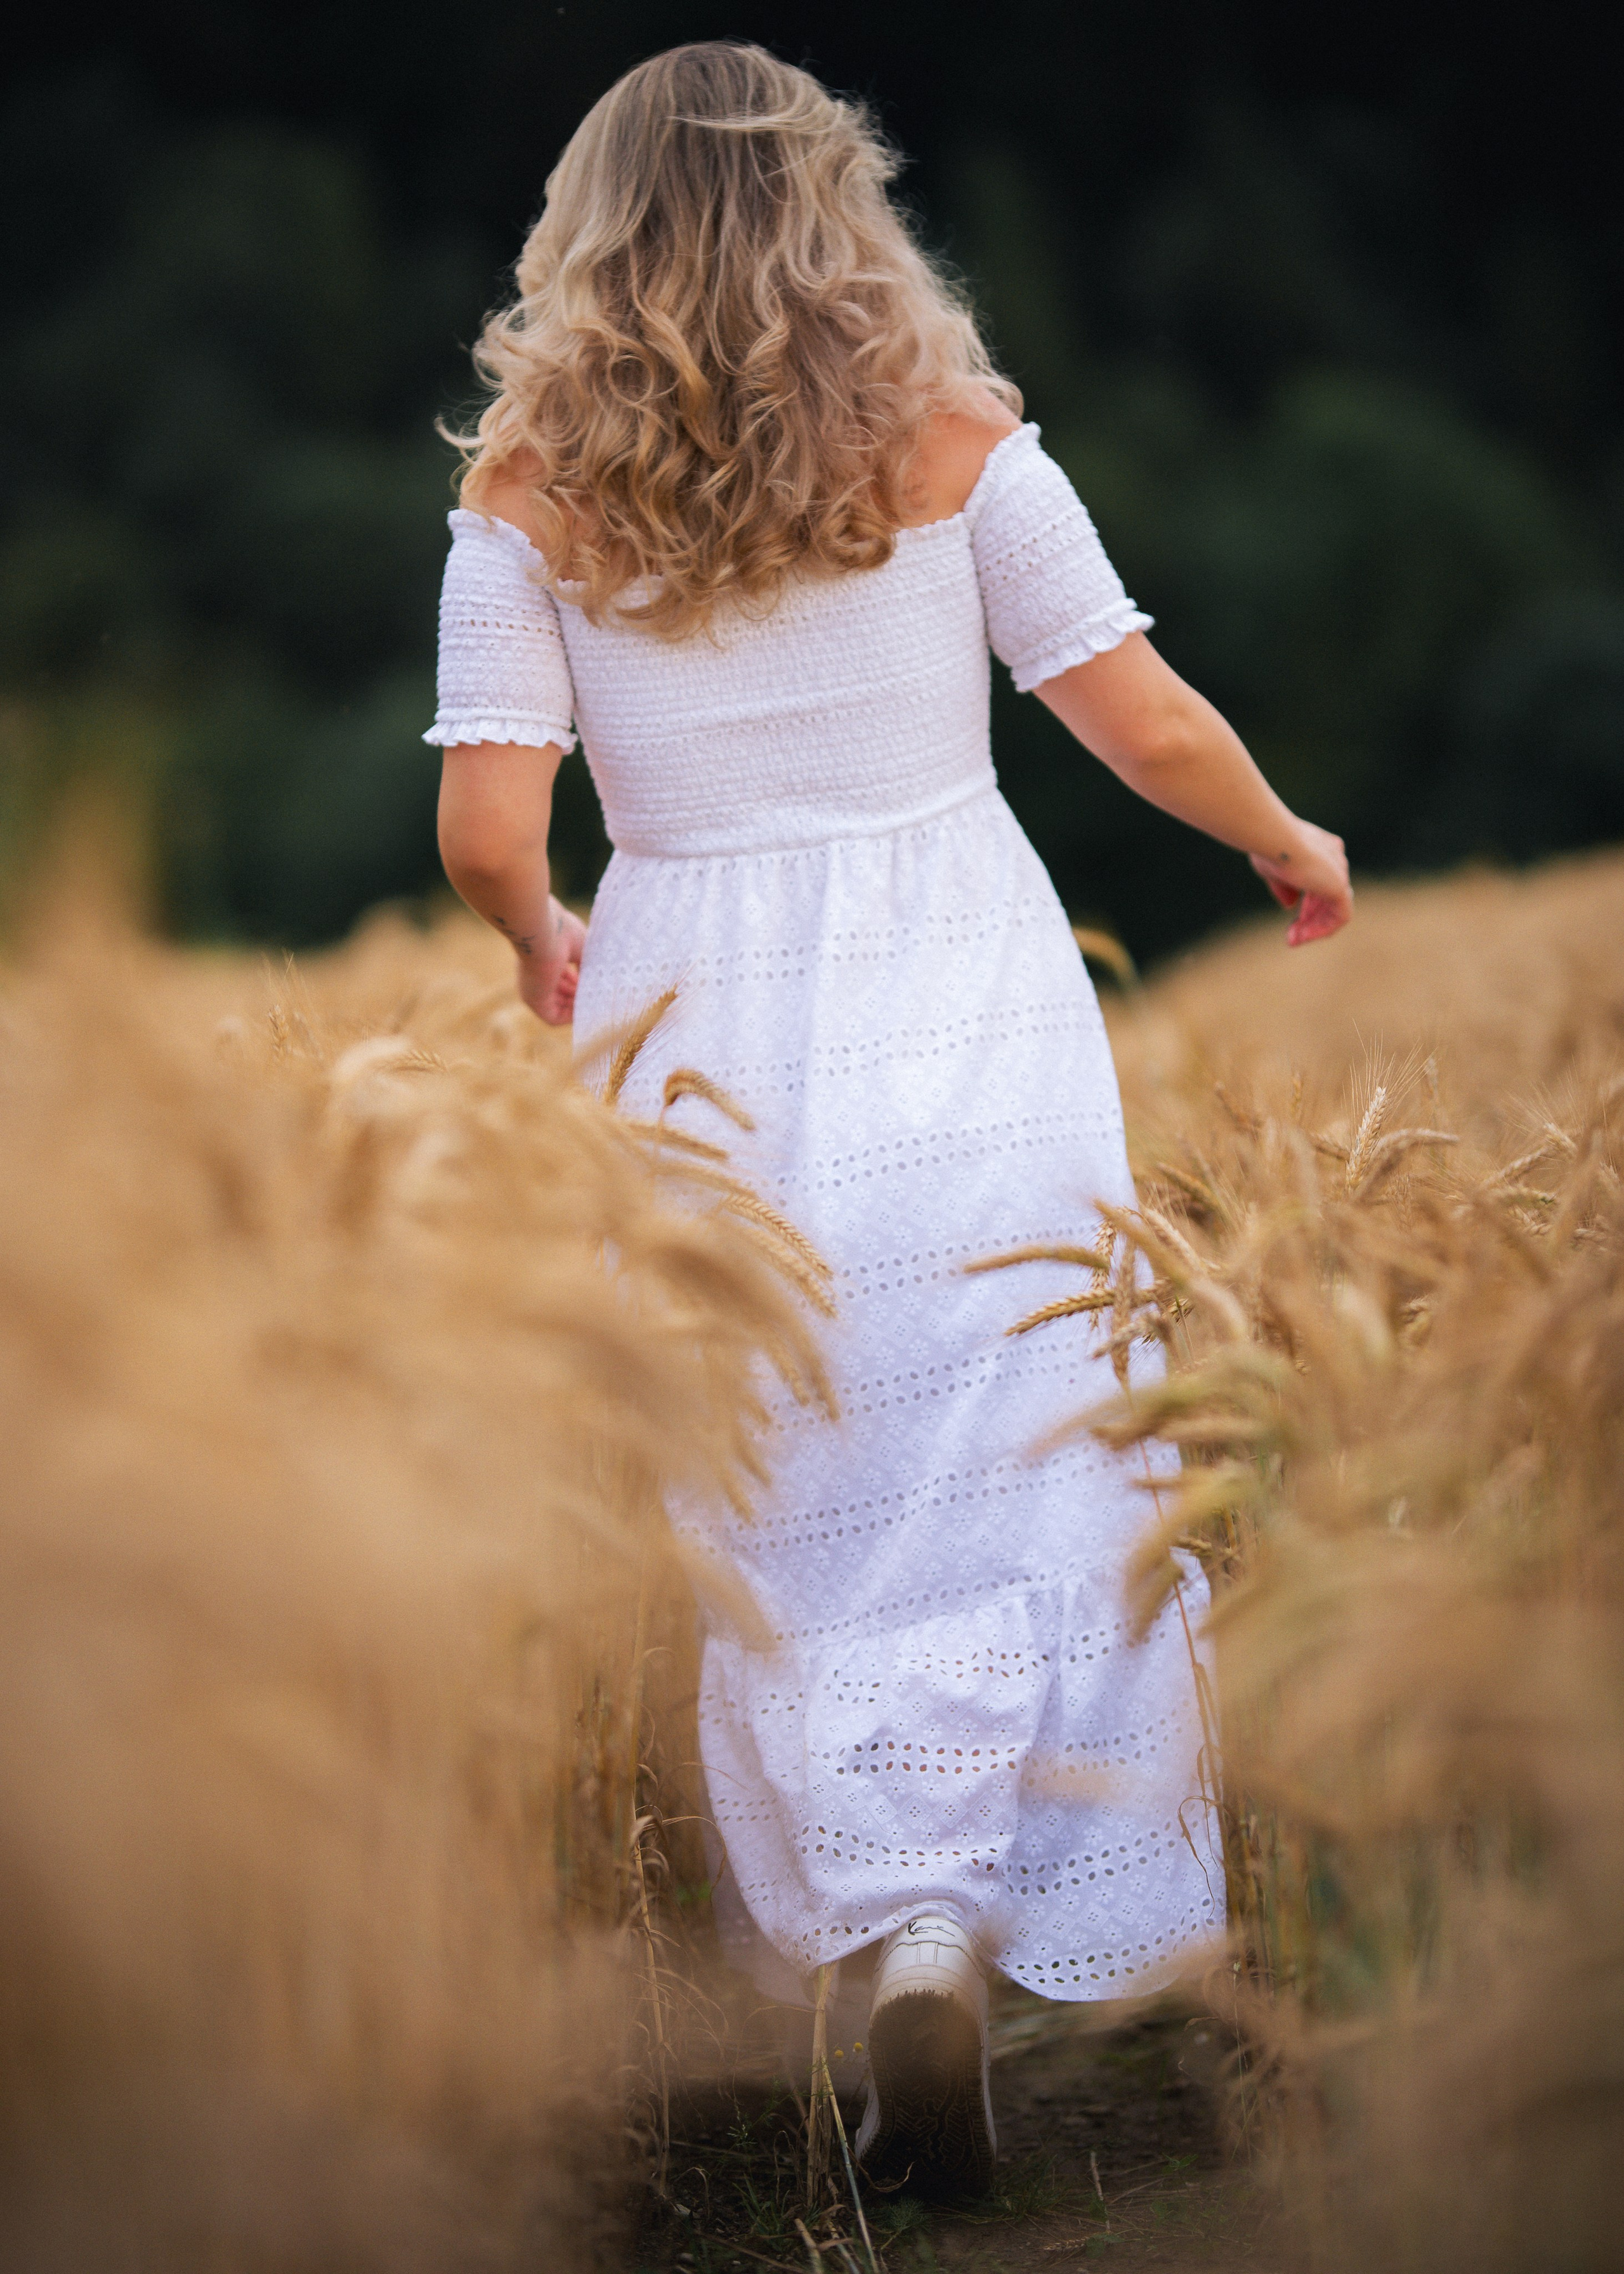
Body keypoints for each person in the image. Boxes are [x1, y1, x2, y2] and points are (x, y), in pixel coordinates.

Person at [426, 41, 1351, 2195]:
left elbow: (485, 821)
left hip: (697, 1035)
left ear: (591, 231)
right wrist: (1286, 839)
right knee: (1009, 1442)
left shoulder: (531, 489)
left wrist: (544, 943)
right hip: (974, 1004)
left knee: (790, 1486)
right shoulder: (957, 439)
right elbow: (1134, 709)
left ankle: (892, 1925)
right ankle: (976, 1932)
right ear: (841, 207)